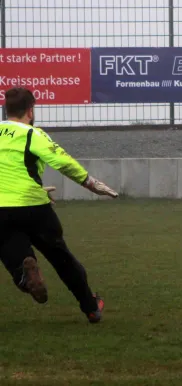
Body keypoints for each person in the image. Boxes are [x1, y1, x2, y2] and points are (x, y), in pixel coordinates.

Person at [0, 87, 119, 323]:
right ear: (30, 111)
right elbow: (61, 161)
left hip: (1, 209)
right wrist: (90, 183)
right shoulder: (33, 134)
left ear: (5, 109)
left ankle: (24, 277)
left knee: (12, 251)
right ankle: (91, 307)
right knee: (62, 259)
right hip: (34, 207)